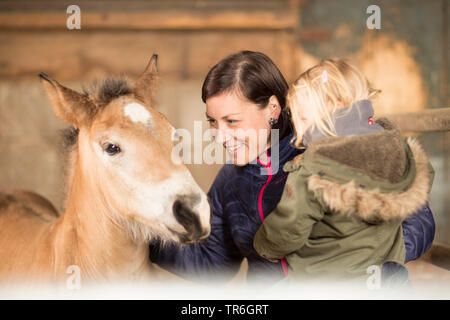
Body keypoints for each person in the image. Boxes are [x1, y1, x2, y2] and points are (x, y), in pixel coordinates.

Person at [150, 51, 435, 285]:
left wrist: (358, 261)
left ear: (273, 109)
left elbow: (418, 222)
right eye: (213, 121)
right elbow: (212, 262)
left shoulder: (332, 151)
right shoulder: (229, 181)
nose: (219, 135)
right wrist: (141, 238)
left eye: (232, 121)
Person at [252, 59, 434, 285]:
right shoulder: (400, 152)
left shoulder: (314, 167)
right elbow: (418, 212)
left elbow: (288, 226)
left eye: (303, 118)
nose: (297, 126)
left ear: (335, 106)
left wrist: (264, 246)